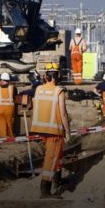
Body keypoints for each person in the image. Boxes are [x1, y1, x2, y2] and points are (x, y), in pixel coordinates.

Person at [31, 63, 71, 197]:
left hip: (41, 129)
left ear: (46, 76)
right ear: (57, 76)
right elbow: (63, 114)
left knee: (55, 156)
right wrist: (68, 131)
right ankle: (45, 189)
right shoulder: (58, 91)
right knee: (51, 158)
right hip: (54, 130)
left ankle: (57, 179)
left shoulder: (38, 89)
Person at [0, 72, 17, 137]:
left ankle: (3, 137)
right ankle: (10, 137)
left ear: (1, 79)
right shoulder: (13, 87)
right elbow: (15, 94)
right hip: (9, 109)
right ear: (9, 80)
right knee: (9, 124)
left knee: (1, 124)